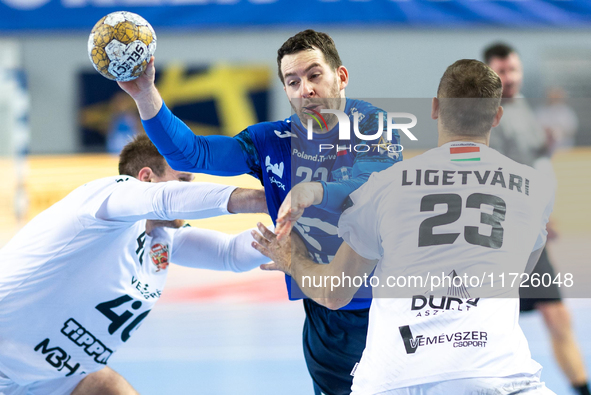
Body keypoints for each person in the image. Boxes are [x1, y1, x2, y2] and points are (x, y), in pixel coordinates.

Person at [118, 30, 402, 394]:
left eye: (315, 76)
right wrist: (145, 95)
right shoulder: (271, 142)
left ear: (340, 77)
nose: (306, 90)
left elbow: (369, 185)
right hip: (325, 322)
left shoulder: (371, 124)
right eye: (293, 81)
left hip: (391, 310)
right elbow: (192, 154)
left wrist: (314, 190)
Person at [253, 59, 557, 394]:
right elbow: (518, 274)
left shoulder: (383, 186)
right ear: (496, 116)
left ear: (435, 109)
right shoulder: (534, 189)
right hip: (497, 377)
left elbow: (334, 293)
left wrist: (290, 259)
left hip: (395, 381)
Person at [0, 134, 270, 395]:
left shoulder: (161, 236)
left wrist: (296, 222)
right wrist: (267, 199)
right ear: (145, 178)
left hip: (55, 375)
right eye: (183, 180)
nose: (190, 189)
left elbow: (229, 253)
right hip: (5, 355)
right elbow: (166, 199)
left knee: (109, 386)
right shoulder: (107, 197)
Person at [484, 42, 590, 395]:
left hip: (531, 235)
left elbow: (532, 169)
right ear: (489, 74)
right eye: (502, 72)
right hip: (496, 239)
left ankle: (582, 388)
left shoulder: (523, 107)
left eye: (513, 70)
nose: (509, 77)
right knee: (490, 326)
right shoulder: (484, 116)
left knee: (558, 317)